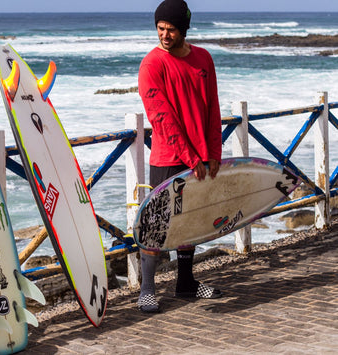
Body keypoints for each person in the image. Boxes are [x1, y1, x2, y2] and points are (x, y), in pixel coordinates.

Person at [137, 0, 223, 313]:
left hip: (200, 157)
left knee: (191, 220)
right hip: (168, 158)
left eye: (170, 29)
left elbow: (213, 107)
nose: (164, 34)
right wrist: (190, 157)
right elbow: (161, 118)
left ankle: (185, 283)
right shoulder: (151, 65)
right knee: (157, 223)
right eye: (160, 28)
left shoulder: (203, 59)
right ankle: (146, 288)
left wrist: (214, 151)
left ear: (183, 29)